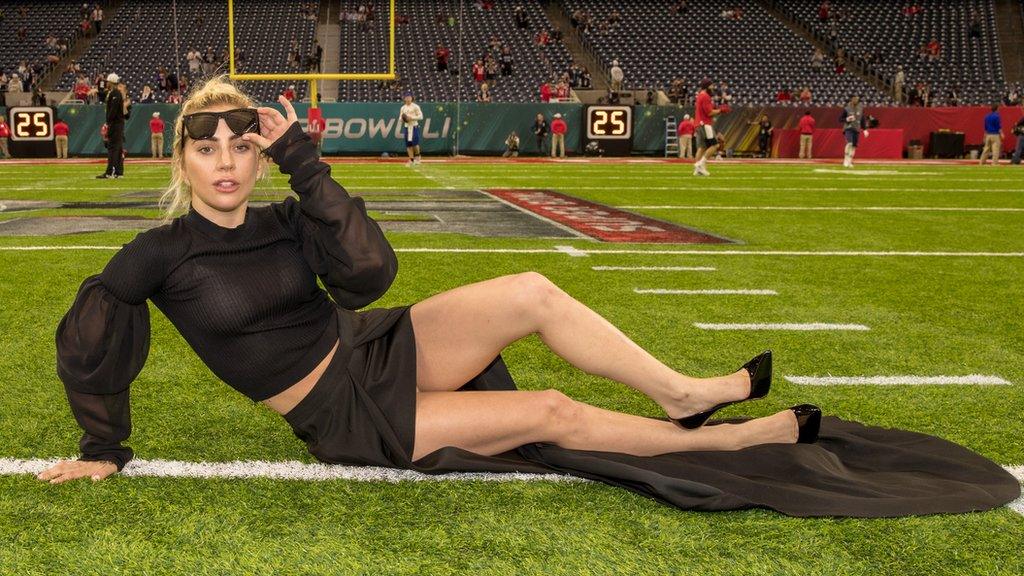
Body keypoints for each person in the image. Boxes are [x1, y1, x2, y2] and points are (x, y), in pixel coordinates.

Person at [38, 74, 821, 492]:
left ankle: (680, 394)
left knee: (531, 290)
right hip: (340, 412)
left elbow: (371, 275)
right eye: (206, 151)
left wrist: (304, 163)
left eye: (241, 149)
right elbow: (92, 343)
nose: (226, 165)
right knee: (549, 410)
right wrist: (104, 447)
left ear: (258, 157)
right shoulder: (159, 252)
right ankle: (733, 437)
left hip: (371, 347)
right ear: (181, 161)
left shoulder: (286, 218)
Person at [97, 73, 125, 179]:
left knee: (113, 148)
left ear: (111, 82)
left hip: (115, 124)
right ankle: (118, 171)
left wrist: (108, 122)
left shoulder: (115, 94)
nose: (107, 83)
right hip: (117, 124)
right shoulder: (113, 93)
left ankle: (111, 171)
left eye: (108, 81)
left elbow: (113, 111)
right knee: (117, 148)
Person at [693, 78, 722, 176]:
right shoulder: (705, 96)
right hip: (705, 124)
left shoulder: (700, 95)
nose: (713, 87)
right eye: (711, 85)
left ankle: (697, 169)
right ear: (707, 86)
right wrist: (720, 110)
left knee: (701, 147)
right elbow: (709, 113)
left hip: (698, 123)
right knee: (715, 145)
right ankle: (701, 164)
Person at [841, 95, 869, 168]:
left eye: (857, 99)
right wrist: (847, 119)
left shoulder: (860, 108)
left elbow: (862, 119)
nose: (856, 100)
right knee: (849, 143)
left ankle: (850, 161)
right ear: (851, 99)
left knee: (854, 146)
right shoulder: (847, 108)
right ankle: (845, 160)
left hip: (856, 129)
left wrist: (865, 129)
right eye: (854, 99)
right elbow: (840, 119)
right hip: (848, 128)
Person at [398, 92, 423, 166]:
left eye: (409, 97)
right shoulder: (403, 108)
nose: (408, 99)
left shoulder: (415, 106)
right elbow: (400, 117)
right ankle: (411, 159)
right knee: (408, 145)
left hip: (414, 126)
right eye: (407, 97)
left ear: (412, 98)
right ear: (404, 99)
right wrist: (403, 119)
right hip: (407, 127)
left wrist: (411, 118)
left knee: (415, 144)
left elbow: (421, 116)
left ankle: (418, 157)